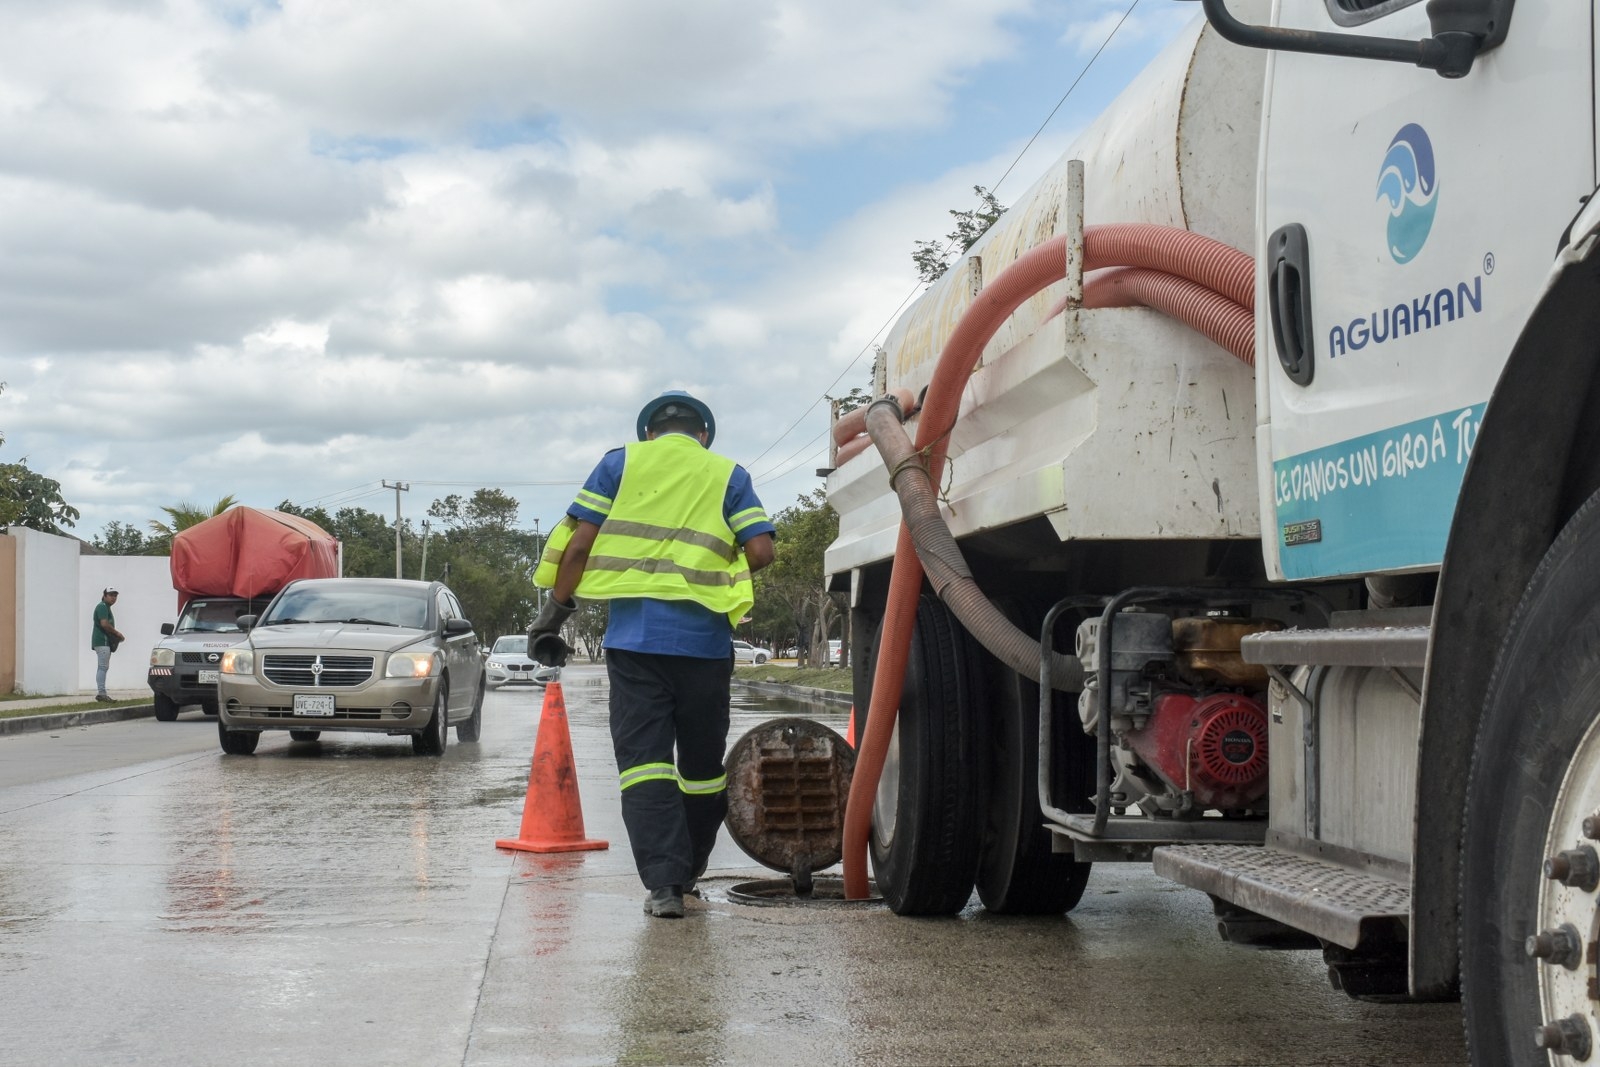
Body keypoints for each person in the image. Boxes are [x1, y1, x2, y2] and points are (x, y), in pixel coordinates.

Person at [530, 390, 776, 919]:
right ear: (703, 435)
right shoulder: (727, 474)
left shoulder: (619, 464)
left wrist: (553, 617)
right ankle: (690, 870)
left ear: (649, 434)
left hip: (635, 645)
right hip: (706, 648)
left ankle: (663, 887)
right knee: (704, 768)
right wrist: (714, 571)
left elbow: (577, 547)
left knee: (645, 766)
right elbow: (761, 550)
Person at [91, 587, 125, 702]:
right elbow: (104, 624)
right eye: (111, 595)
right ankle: (101, 693)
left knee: (103, 667)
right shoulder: (102, 606)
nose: (113, 598)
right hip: (102, 640)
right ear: (104, 595)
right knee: (102, 667)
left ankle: (102, 693)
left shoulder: (106, 607)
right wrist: (117, 633)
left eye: (115, 595)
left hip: (103, 641)